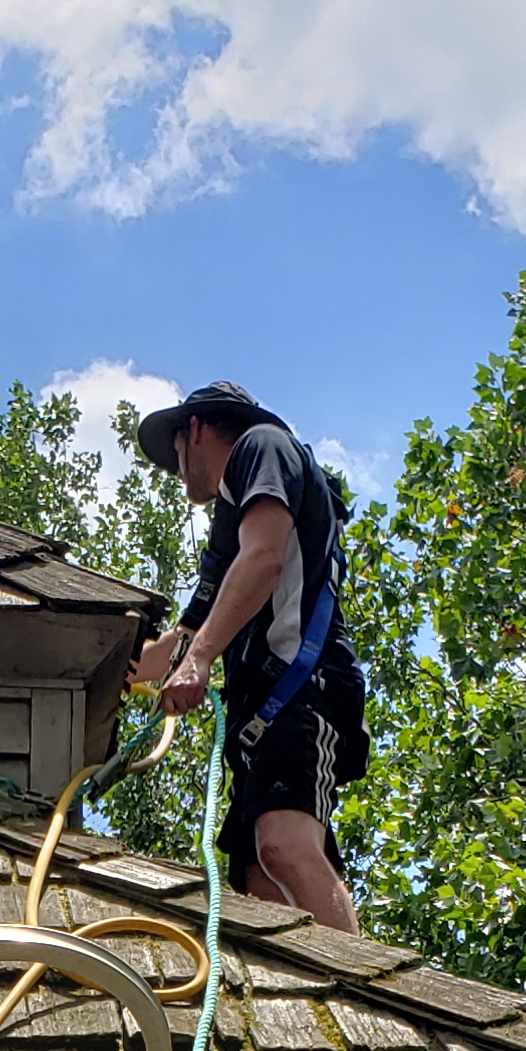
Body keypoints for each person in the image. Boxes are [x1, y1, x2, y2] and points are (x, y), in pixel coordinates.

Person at [128, 380, 362, 931]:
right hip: (261, 714)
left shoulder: (264, 447)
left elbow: (265, 560)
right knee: (259, 877)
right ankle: (310, 1004)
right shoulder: (229, 529)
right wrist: (107, 667)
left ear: (196, 429)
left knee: (283, 844)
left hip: (304, 688)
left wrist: (199, 662)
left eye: (175, 457)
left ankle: (368, 994)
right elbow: (182, 640)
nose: (176, 474)